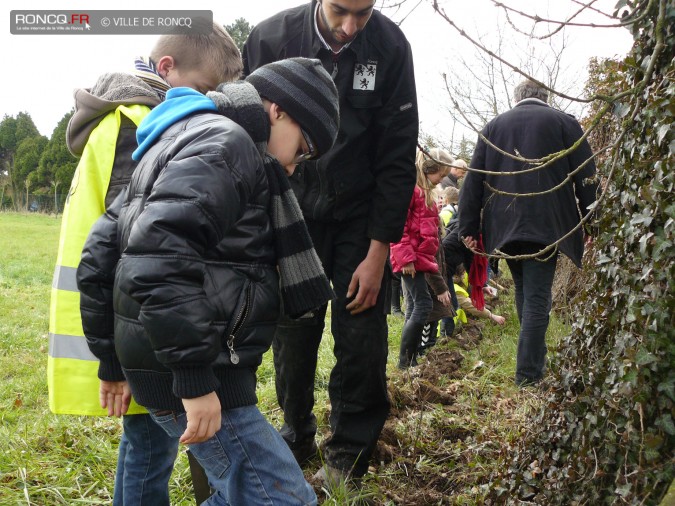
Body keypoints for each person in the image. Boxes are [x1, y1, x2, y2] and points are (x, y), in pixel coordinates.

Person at [77, 57, 339, 505]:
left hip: (170, 367)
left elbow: (99, 256)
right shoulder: (228, 145)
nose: (296, 166)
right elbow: (157, 259)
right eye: (305, 148)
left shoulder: (174, 138)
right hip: (201, 373)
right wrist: (196, 380)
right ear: (280, 111)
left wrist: (111, 359)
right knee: (284, 500)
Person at [48, 22, 241, 505]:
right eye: (203, 91)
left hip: (132, 316)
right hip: (133, 321)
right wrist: (117, 355)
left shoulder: (129, 119)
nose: (208, 107)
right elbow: (135, 242)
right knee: (150, 446)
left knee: (148, 443)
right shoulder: (137, 124)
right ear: (166, 69)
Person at [242, 0, 419, 482]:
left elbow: (399, 153)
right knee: (291, 330)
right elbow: (243, 132)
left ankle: (348, 455)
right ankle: (295, 433)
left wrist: (380, 248)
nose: (349, 27)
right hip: (290, 208)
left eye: (362, 14)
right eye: (341, 11)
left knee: (361, 333)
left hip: (360, 220)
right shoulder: (269, 40)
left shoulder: (390, 47)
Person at [459, 79, 598, 386]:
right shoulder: (564, 123)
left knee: (525, 290)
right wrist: (593, 220)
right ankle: (529, 376)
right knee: (537, 298)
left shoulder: (493, 127)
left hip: (504, 225)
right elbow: (587, 176)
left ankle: (532, 362)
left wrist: (468, 226)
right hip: (547, 223)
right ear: (546, 97)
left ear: (516, 97)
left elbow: (473, 181)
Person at [391, 150, 451, 368]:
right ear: (429, 169)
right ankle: (405, 361)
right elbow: (400, 226)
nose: (442, 180)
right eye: (441, 175)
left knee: (418, 304)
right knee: (423, 305)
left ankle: (411, 358)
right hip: (409, 259)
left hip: (420, 258)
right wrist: (405, 257)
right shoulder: (411, 191)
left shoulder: (426, 194)